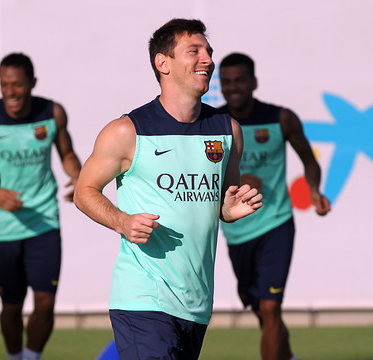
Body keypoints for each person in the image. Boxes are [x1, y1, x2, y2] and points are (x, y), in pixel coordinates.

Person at [73, 19, 264, 359]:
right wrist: (122, 221)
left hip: (196, 303)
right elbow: (84, 191)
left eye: (209, 52)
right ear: (163, 63)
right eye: (194, 51)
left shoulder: (227, 130)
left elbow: (222, 202)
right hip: (143, 298)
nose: (207, 59)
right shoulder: (127, 131)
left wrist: (229, 210)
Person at [218, 52, 331, 360]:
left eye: (240, 80)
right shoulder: (214, 124)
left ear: (253, 82)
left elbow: (309, 161)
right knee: (262, 312)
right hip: (237, 233)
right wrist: (237, 181)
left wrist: (314, 190)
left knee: (270, 308)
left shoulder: (281, 118)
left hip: (276, 224)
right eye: (226, 82)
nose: (233, 87)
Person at [0, 53, 81, 360]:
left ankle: (32, 358)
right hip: (3, 229)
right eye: (5, 85)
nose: (11, 92)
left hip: (44, 223)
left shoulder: (52, 112)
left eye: (17, 85)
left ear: (32, 83)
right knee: (11, 306)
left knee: (45, 301)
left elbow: (67, 153)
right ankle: (14, 356)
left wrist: (78, 176)